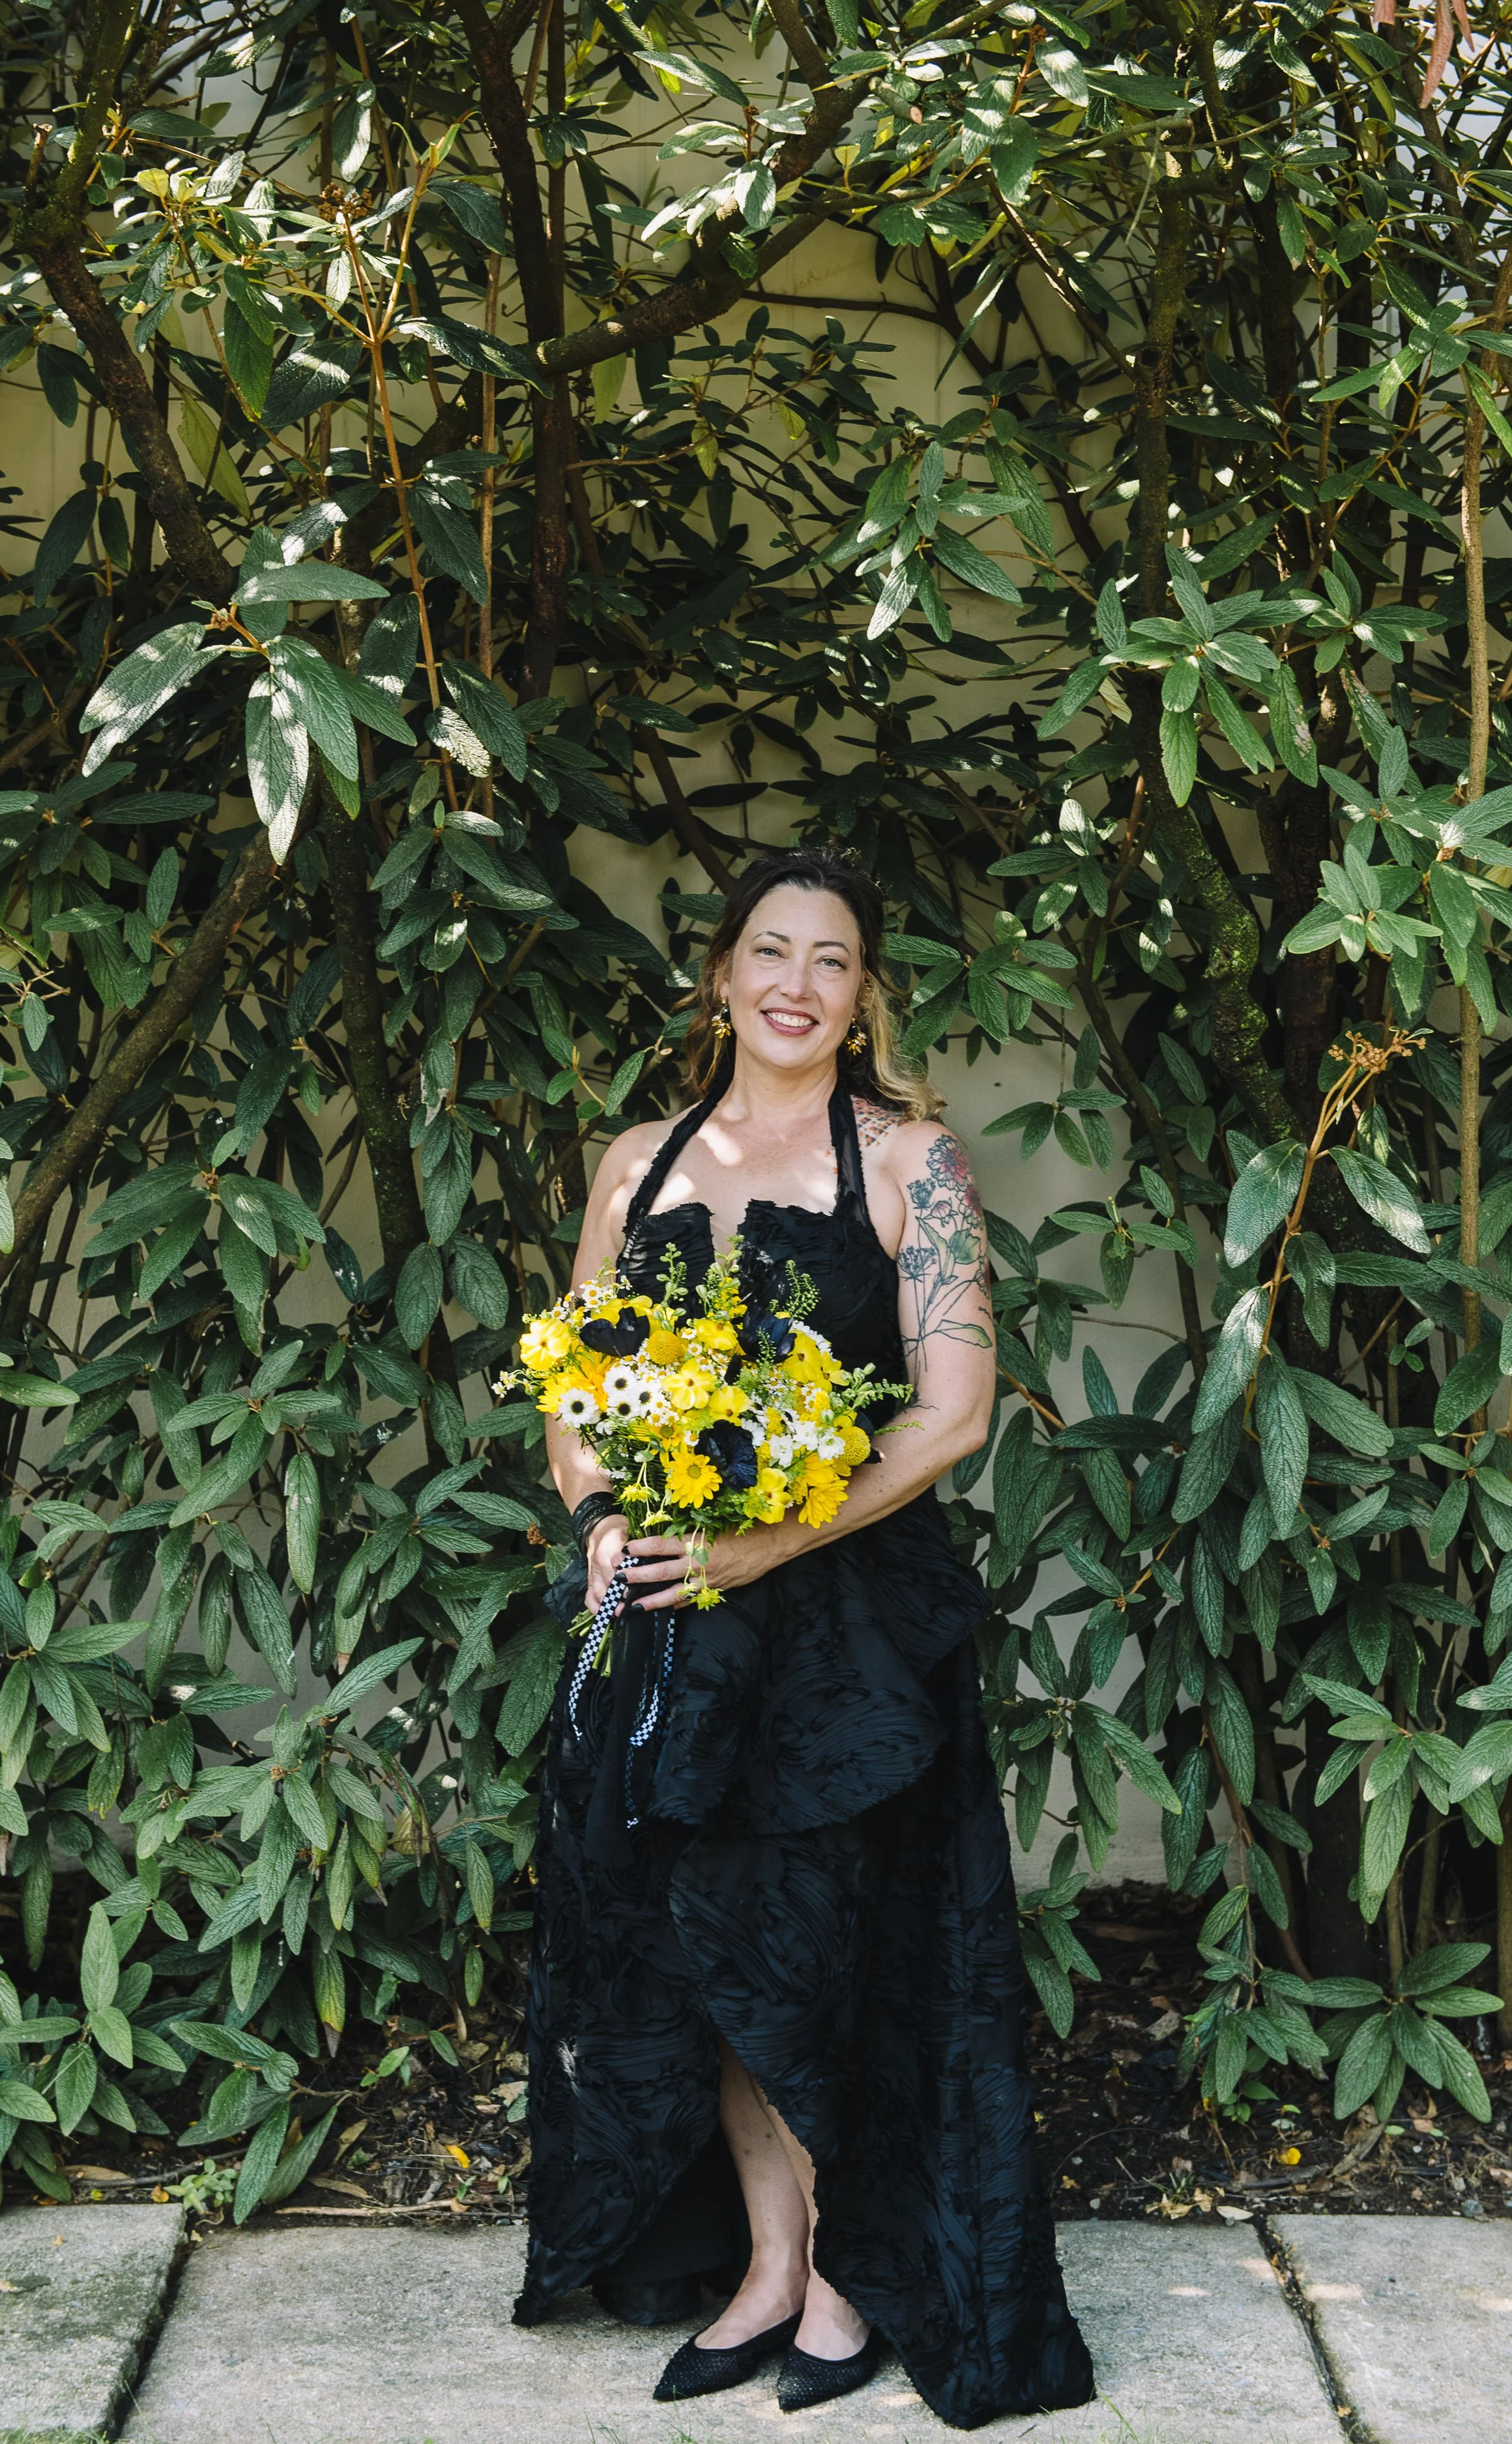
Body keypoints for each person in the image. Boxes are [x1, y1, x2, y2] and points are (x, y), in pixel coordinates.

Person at [512, 845, 1095, 2427]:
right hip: (672, 1626)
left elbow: (951, 1414)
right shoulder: (635, 1161)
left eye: (828, 960)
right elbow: (573, 1379)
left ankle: (849, 2280)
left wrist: (763, 1538)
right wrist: (599, 1520)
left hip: (847, 1637)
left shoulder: (915, 1164)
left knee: (839, 1949)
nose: (792, 983)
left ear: (861, 996)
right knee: (716, 1952)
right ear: (717, 975)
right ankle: (767, 2270)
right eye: (766, 951)